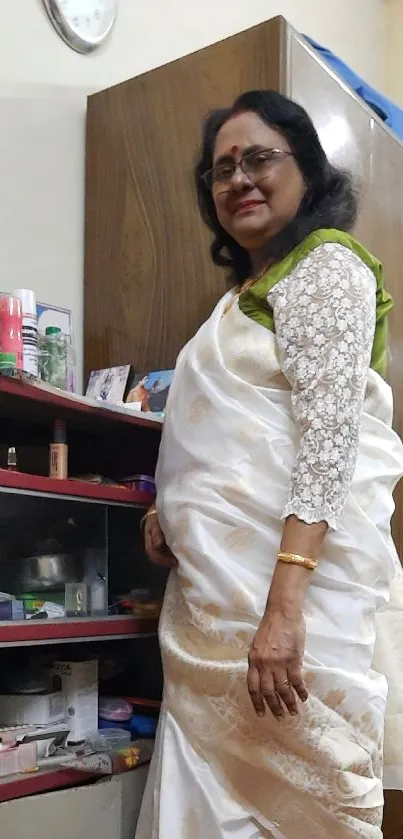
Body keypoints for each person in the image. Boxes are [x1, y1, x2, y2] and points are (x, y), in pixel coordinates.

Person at [135, 90, 403, 838]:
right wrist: (174, 512)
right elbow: (224, 438)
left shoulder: (324, 267)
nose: (237, 180)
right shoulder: (237, 299)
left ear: (307, 171)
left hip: (288, 607)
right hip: (211, 609)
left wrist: (282, 611)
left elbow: (327, 443)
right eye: (220, 169)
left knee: (287, 802)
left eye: (258, 159)